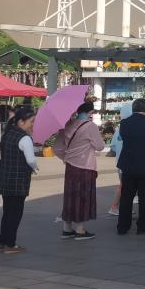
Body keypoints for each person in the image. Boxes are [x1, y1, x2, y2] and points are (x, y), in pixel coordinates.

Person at [56, 100, 104, 241]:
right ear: (89, 112)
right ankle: (80, 230)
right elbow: (100, 146)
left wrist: (67, 157)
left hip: (70, 167)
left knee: (70, 197)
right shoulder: (90, 126)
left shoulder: (67, 125)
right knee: (82, 197)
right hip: (85, 167)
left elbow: (57, 148)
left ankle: (67, 229)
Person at [116, 99, 145, 235]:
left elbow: (124, 138)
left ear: (133, 109)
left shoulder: (124, 123)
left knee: (126, 197)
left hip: (128, 165)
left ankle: (123, 226)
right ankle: (142, 226)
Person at [0, 105, 38, 253]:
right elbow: (31, 160)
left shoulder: (7, 134)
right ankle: (10, 244)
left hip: (5, 179)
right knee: (15, 213)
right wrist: (35, 167)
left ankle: (2, 241)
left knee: (7, 212)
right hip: (18, 181)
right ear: (21, 122)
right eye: (31, 121)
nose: (32, 125)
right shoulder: (24, 138)